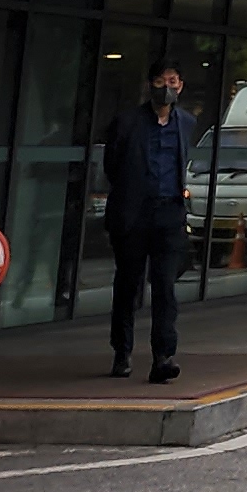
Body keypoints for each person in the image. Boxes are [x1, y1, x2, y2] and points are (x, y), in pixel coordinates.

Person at [101, 65, 191, 384]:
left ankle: (163, 357)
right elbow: (112, 165)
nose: (166, 87)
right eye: (160, 81)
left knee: (165, 286)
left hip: (169, 213)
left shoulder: (186, 123)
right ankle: (122, 351)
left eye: (172, 81)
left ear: (180, 86)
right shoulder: (127, 122)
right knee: (129, 284)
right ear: (149, 85)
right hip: (133, 214)